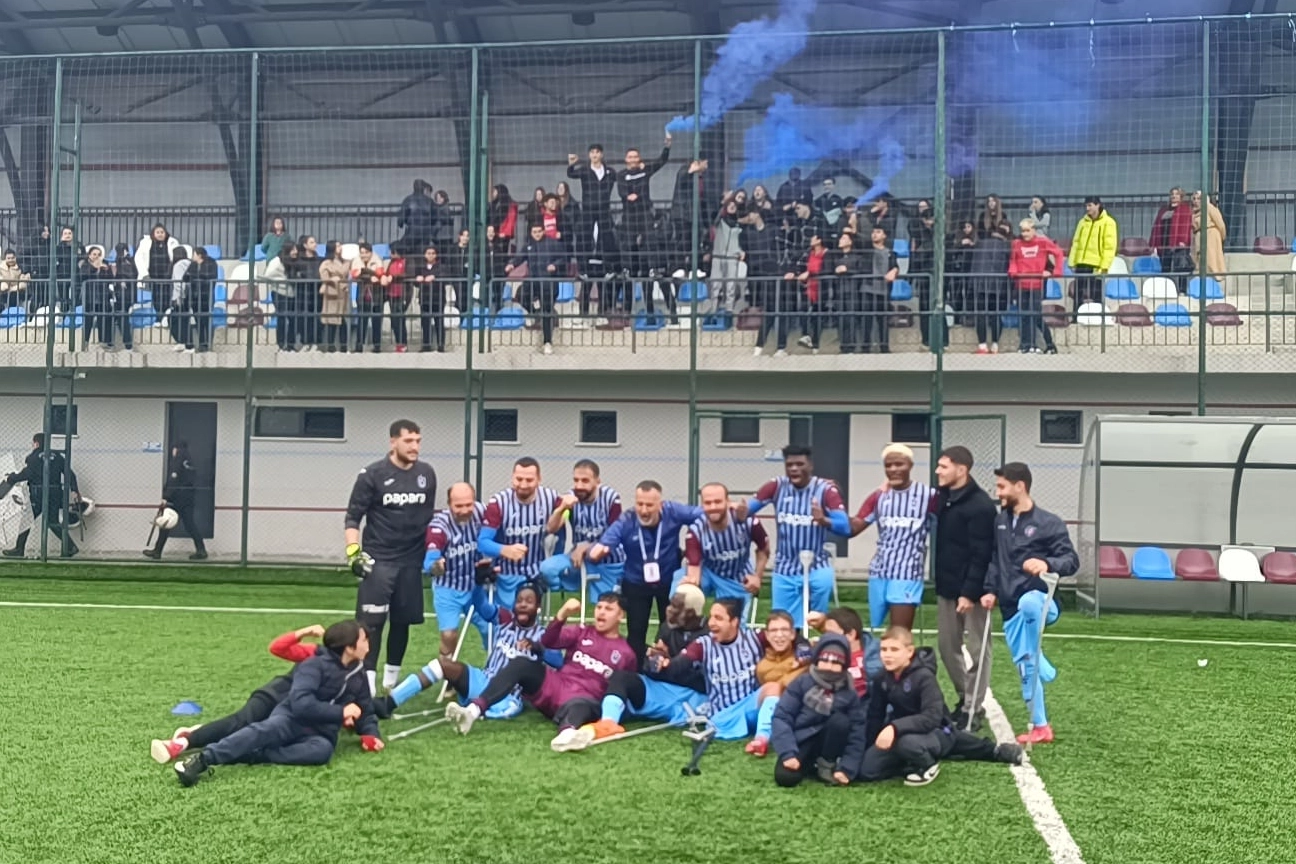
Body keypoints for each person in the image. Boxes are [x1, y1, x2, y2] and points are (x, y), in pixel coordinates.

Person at [174, 620, 384, 786]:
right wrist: (340, 712)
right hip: (291, 719)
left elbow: (365, 708)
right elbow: (301, 703)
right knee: (264, 729)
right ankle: (202, 760)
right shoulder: (313, 665)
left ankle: (253, 755)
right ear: (349, 647)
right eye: (364, 640)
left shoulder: (359, 673)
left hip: (321, 733)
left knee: (322, 752)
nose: (369, 645)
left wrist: (371, 734)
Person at [444, 594, 637, 752]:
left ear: (620, 616)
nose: (601, 612)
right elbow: (548, 641)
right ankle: (472, 712)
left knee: (581, 705)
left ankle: (567, 734)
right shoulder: (582, 631)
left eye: (608, 609)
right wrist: (562, 615)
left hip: (584, 699)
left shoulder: (626, 653)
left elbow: (624, 689)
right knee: (521, 663)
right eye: (599, 607)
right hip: (557, 687)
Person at [981, 462, 1079, 746]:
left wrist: (1046, 563)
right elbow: (995, 560)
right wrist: (990, 590)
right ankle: (1041, 726)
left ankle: (1038, 657)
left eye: (1002, 486)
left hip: (1042, 602)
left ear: (1019, 486)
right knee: (1026, 668)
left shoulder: (1049, 523)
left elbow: (1071, 561)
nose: (998, 492)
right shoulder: (1000, 522)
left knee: (1028, 602)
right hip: (1009, 608)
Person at [344, 419, 439, 694]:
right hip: (379, 559)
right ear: (393, 442)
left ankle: (390, 681)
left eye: (418, 441)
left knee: (402, 621)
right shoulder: (372, 474)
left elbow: (428, 520)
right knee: (371, 624)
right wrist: (353, 553)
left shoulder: (427, 474)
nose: (414, 446)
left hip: (411, 561)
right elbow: (353, 517)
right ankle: (368, 682)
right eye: (408, 441)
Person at [859, 626, 1021, 786]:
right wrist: (866, 747)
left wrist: (895, 727)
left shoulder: (924, 677)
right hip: (903, 734)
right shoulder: (882, 678)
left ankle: (927, 765)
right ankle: (910, 762)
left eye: (894, 649)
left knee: (908, 744)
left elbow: (932, 717)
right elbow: (875, 715)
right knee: (868, 770)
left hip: (939, 731)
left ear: (909, 652)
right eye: (884, 649)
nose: (887, 655)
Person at [150, 624, 326, 763]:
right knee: (243, 722)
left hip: (294, 714)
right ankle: (182, 743)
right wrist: (302, 632)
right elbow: (277, 648)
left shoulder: (343, 674)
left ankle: (205, 734)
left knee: (266, 736)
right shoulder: (316, 653)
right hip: (274, 696)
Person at [378, 581, 553, 719]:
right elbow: (481, 605)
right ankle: (389, 702)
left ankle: (473, 711)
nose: (523, 605)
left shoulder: (543, 635)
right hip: (482, 680)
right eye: (519, 600)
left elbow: (557, 661)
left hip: (508, 695)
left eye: (529, 601)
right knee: (443, 665)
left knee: (503, 710)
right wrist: (478, 583)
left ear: (538, 606)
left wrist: (538, 647)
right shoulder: (505, 619)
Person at [587, 480, 703, 666]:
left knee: (672, 628)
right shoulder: (627, 520)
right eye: (639, 504)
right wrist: (596, 551)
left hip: (667, 580)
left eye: (649, 505)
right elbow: (603, 544)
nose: (644, 510)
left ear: (660, 504)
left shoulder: (673, 511)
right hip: (636, 582)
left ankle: (671, 667)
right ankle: (636, 671)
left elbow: (704, 515)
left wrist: (693, 541)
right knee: (636, 631)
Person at [579, 583, 710, 743]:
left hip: (694, 694)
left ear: (690, 612)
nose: (669, 610)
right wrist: (657, 659)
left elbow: (681, 670)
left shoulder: (709, 633)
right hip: (662, 688)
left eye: (675, 607)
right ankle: (608, 723)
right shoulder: (667, 628)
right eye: (670, 604)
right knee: (622, 678)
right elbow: (654, 668)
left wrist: (668, 663)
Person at [737, 445, 849, 630]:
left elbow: (844, 526)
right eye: (789, 465)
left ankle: (822, 643)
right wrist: (741, 512)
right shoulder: (776, 486)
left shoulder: (826, 490)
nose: (794, 469)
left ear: (810, 465)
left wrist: (824, 520)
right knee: (783, 624)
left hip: (817, 566)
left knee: (818, 622)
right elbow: (747, 510)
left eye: (799, 464)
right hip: (785, 568)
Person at [932, 446, 997, 731]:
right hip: (947, 588)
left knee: (978, 648)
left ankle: (973, 708)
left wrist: (970, 593)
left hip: (973, 593)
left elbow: (982, 553)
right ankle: (964, 697)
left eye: (943, 466)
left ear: (962, 469)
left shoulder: (980, 506)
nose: (938, 471)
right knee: (946, 646)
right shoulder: (943, 498)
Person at [842, 444, 938, 631]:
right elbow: (853, 528)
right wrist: (829, 515)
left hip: (908, 573)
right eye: (888, 465)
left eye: (899, 464)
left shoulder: (928, 496)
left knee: (900, 632)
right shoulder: (879, 496)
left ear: (910, 465)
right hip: (879, 571)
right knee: (875, 630)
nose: (893, 469)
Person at [655, 598, 765, 741]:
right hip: (722, 717)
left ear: (734, 622)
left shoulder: (755, 638)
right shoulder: (703, 644)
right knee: (772, 689)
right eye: (711, 617)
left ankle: (762, 739)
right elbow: (678, 666)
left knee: (774, 689)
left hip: (750, 710)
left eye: (718, 618)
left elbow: (788, 640)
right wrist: (663, 663)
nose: (711, 623)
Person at [771, 633, 870, 787]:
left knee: (841, 721)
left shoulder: (849, 692)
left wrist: (847, 768)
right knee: (786, 777)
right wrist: (788, 752)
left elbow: (857, 732)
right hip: (802, 739)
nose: (829, 666)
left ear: (844, 665)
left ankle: (827, 764)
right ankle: (811, 764)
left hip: (831, 742)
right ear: (817, 659)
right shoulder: (801, 682)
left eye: (836, 662)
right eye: (825, 660)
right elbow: (782, 717)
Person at [673, 481, 769, 619]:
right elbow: (694, 567)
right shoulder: (695, 531)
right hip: (708, 572)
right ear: (702, 505)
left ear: (728, 501)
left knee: (733, 624)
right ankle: (685, 627)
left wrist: (757, 577)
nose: (713, 507)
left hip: (737, 575)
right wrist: (691, 584)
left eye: (718, 502)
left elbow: (764, 548)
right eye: (708, 503)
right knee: (682, 592)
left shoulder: (748, 521)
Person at [477, 457, 561, 612]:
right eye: (519, 479)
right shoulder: (499, 503)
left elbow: (567, 515)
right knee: (508, 620)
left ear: (539, 479)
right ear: (512, 478)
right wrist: (505, 550)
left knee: (531, 621)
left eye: (529, 480)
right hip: (507, 574)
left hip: (537, 573)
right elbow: (483, 542)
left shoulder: (551, 498)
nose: (523, 485)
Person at [540, 459, 625, 601]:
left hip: (608, 561)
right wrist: (562, 508)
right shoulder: (571, 498)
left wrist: (586, 546)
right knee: (547, 568)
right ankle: (564, 592)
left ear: (597, 481)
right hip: (577, 559)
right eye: (576, 480)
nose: (579, 486)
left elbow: (615, 536)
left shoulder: (611, 498)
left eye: (585, 481)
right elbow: (551, 528)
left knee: (605, 606)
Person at [422, 482, 490, 654]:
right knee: (449, 635)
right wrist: (436, 566)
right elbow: (430, 560)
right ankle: (446, 667)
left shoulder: (482, 512)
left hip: (475, 586)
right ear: (449, 504)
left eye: (468, 504)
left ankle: (495, 662)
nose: (464, 510)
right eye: (458, 506)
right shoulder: (439, 525)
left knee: (490, 628)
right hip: (448, 587)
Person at [745, 609, 812, 757]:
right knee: (775, 690)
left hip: (798, 712)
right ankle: (761, 738)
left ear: (793, 634)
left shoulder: (806, 656)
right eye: (774, 630)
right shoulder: (762, 666)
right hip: (771, 711)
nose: (779, 635)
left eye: (784, 630)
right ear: (767, 635)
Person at [2, 432, 78, 558]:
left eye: (32, 443)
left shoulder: (33, 457)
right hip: (55, 493)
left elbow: (27, 474)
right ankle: (70, 547)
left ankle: (19, 549)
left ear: (36, 443)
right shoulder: (58, 457)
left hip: (38, 494)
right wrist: (74, 490)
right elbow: (70, 474)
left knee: (26, 521)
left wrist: (11, 478)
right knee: (53, 522)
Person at [506, 223, 567, 355]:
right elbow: (520, 258)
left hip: (548, 283)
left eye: (539, 231)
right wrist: (512, 265)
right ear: (531, 233)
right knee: (521, 295)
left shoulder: (553, 244)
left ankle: (547, 342)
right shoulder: (529, 245)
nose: (537, 234)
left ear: (543, 231)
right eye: (534, 232)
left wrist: (555, 265)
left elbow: (563, 258)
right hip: (533, 281)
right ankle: (535, 313)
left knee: (546, 313)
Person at [143, 441, 207, 561]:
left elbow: (173, 479)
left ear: (176, 449)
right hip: (188, 498)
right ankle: (201, 549)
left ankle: (157, 551)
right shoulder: (189, 462)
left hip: (177, 498)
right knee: (190, 525)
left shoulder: (179, 460)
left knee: (166, 523)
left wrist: (166, 497)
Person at [1008, 219, 1065, 355]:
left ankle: (1047, 345)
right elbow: (1013, 260)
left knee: (1035, 315)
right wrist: (1013, 271)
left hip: (1036, 285)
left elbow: (1058, 253)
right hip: (1021, 284)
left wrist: (1056, 271)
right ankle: (1025, 345)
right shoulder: (1016, 243)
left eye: (1027, 230)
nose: (1025, 234)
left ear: (1033, 230)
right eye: (1022, 231)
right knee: (1024, 316)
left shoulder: (1042, 242)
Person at [618, 136, 672, 276]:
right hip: (629, 214)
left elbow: (661, 161)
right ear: (626, 159)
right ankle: (627, 269)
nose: (633, 159)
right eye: (630, 157)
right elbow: (621, 191)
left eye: (635, 157)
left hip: (644, 212)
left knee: (650, 240)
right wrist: (627, 196)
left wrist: (667, 147)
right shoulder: (621, 175)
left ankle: (653, 269)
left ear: (639, 158)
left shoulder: (645, 170)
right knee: (627, 242)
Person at [567, 143, 620, 278]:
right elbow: (571, 174)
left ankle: (609, 269)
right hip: (588, 210)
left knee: (607, 239)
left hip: (604, 210)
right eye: (592, 152)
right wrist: (571, 164)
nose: (595, 155)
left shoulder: (610, 172)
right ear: (589, 155)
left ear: (601, 154)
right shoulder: (584, 170)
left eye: (597, 152)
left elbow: (621, 180)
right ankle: (583, 270)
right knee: (584, 238)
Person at [1067, 196, 1118, 306]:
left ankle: (1098, 314)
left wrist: (1104, 266)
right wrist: (1072, 262)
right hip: (1081, 262)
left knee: (1096, 293)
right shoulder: (1082, 222)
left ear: (1098, 205)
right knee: (1078, 294)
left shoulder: (1109, 222)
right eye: (1086, 206)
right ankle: (1076, 314)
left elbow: (1109, 247)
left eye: (1090, 205)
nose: (1087, 208)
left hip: (1097, 264)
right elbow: (1076, 242)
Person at [1149, 187, 1193, 291]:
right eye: (1172, 194)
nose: (1174, 196)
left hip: (1179, 243)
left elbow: (1185, 226)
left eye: (1176, 194)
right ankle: (1166, 289)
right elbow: (1156, 226)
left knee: (1181, 267)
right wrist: (1153, 243)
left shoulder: (1185, 209)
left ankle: (1182, 290)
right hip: (1164, 242)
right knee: (1165, 268)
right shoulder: (1164, 209)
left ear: (1181, 196)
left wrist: (1183, 241)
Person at [412, 245, 449, 353]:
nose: (431, 255)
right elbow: (415, 282)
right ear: (425, 255)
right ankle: (426, 345)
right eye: (428, 253)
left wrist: (434, 277)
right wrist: (417, 279)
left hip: (438, 298)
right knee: (425, 322)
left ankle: (441, 345)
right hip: (425, 298)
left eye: (433, 253)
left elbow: (446, 277)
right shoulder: (421, 267)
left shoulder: (441, 266)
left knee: (439, 322)